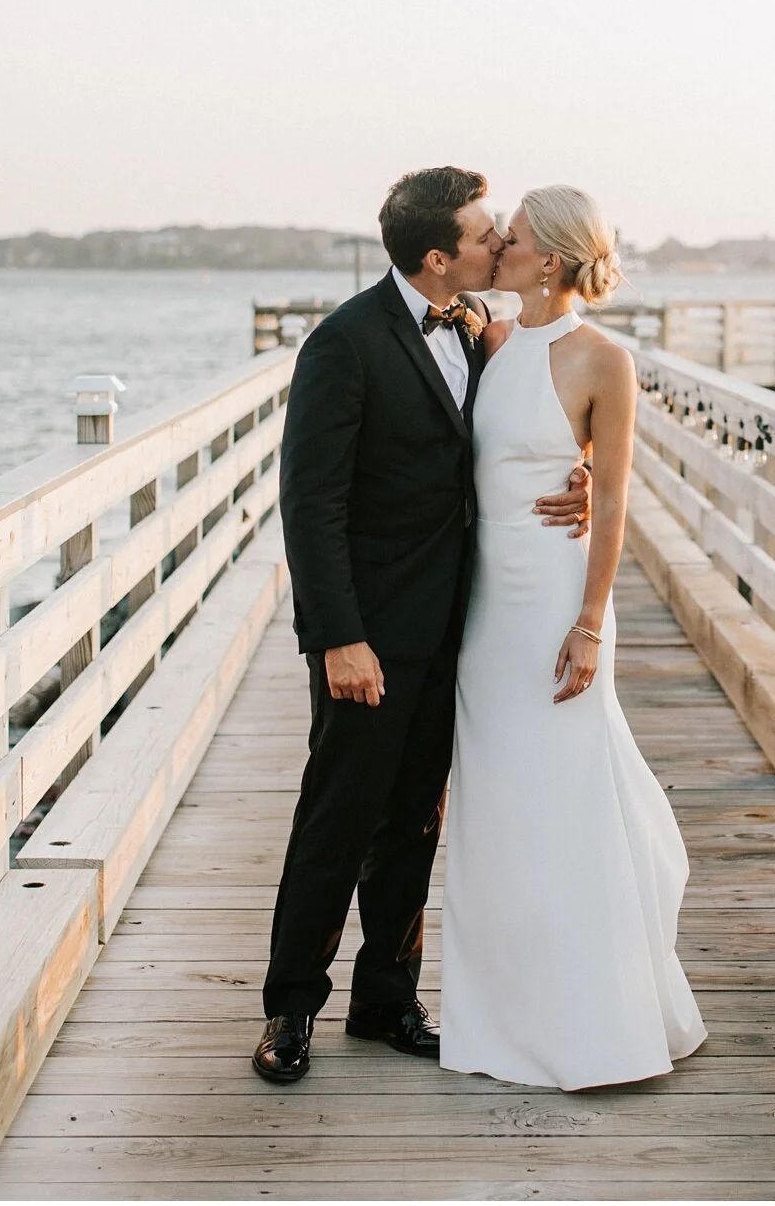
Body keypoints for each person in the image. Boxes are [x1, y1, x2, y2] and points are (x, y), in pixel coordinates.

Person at [252, 167, 591, 1084]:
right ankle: (290, 1008)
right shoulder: (343, 345)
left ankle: (387, 998)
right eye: (485, 235)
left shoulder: (482, 329)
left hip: (465, 625)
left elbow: (527, 431)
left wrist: (580, 473)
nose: (499, 245)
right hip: (369, 634)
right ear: (439, 257)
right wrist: (337, 637)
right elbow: (309, 504)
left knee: (414, 823)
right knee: (338, 819)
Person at [439, 186, 706, 1089]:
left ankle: (592, 1017)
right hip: (484, 606)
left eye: (510, 237)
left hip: (558, 601)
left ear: (548, 260)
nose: (497, 245)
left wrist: (590, 623)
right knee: (497, 801)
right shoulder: (492, 338)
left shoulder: (605, 360)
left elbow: (618, 497)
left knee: (563, 791)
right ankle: (501, 1017)